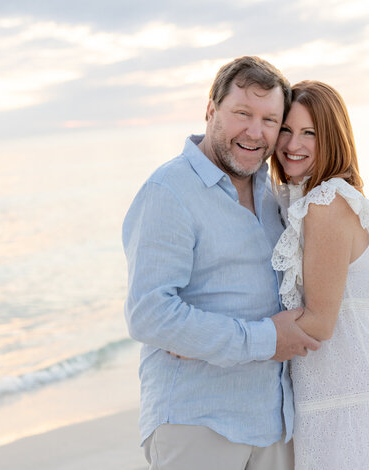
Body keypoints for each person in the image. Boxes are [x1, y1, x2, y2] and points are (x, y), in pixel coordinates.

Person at [123, 56, 320, 470]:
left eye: (270, 120)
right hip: (199, 423)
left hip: (273, 422)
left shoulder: (272, 194)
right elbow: (150, 316)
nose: (255, 132)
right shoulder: (169, 191)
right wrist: (264, 340)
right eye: (242, 113)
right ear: (211, 110)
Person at [270, 80, 369, 469]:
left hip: (353, 397)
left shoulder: (327, 203)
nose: (292, 145)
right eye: (285, 130)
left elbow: (319, 323)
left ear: (333, 139)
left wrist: (219, 337)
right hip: (336, 392)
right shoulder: (304, 199)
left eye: (309, 133)